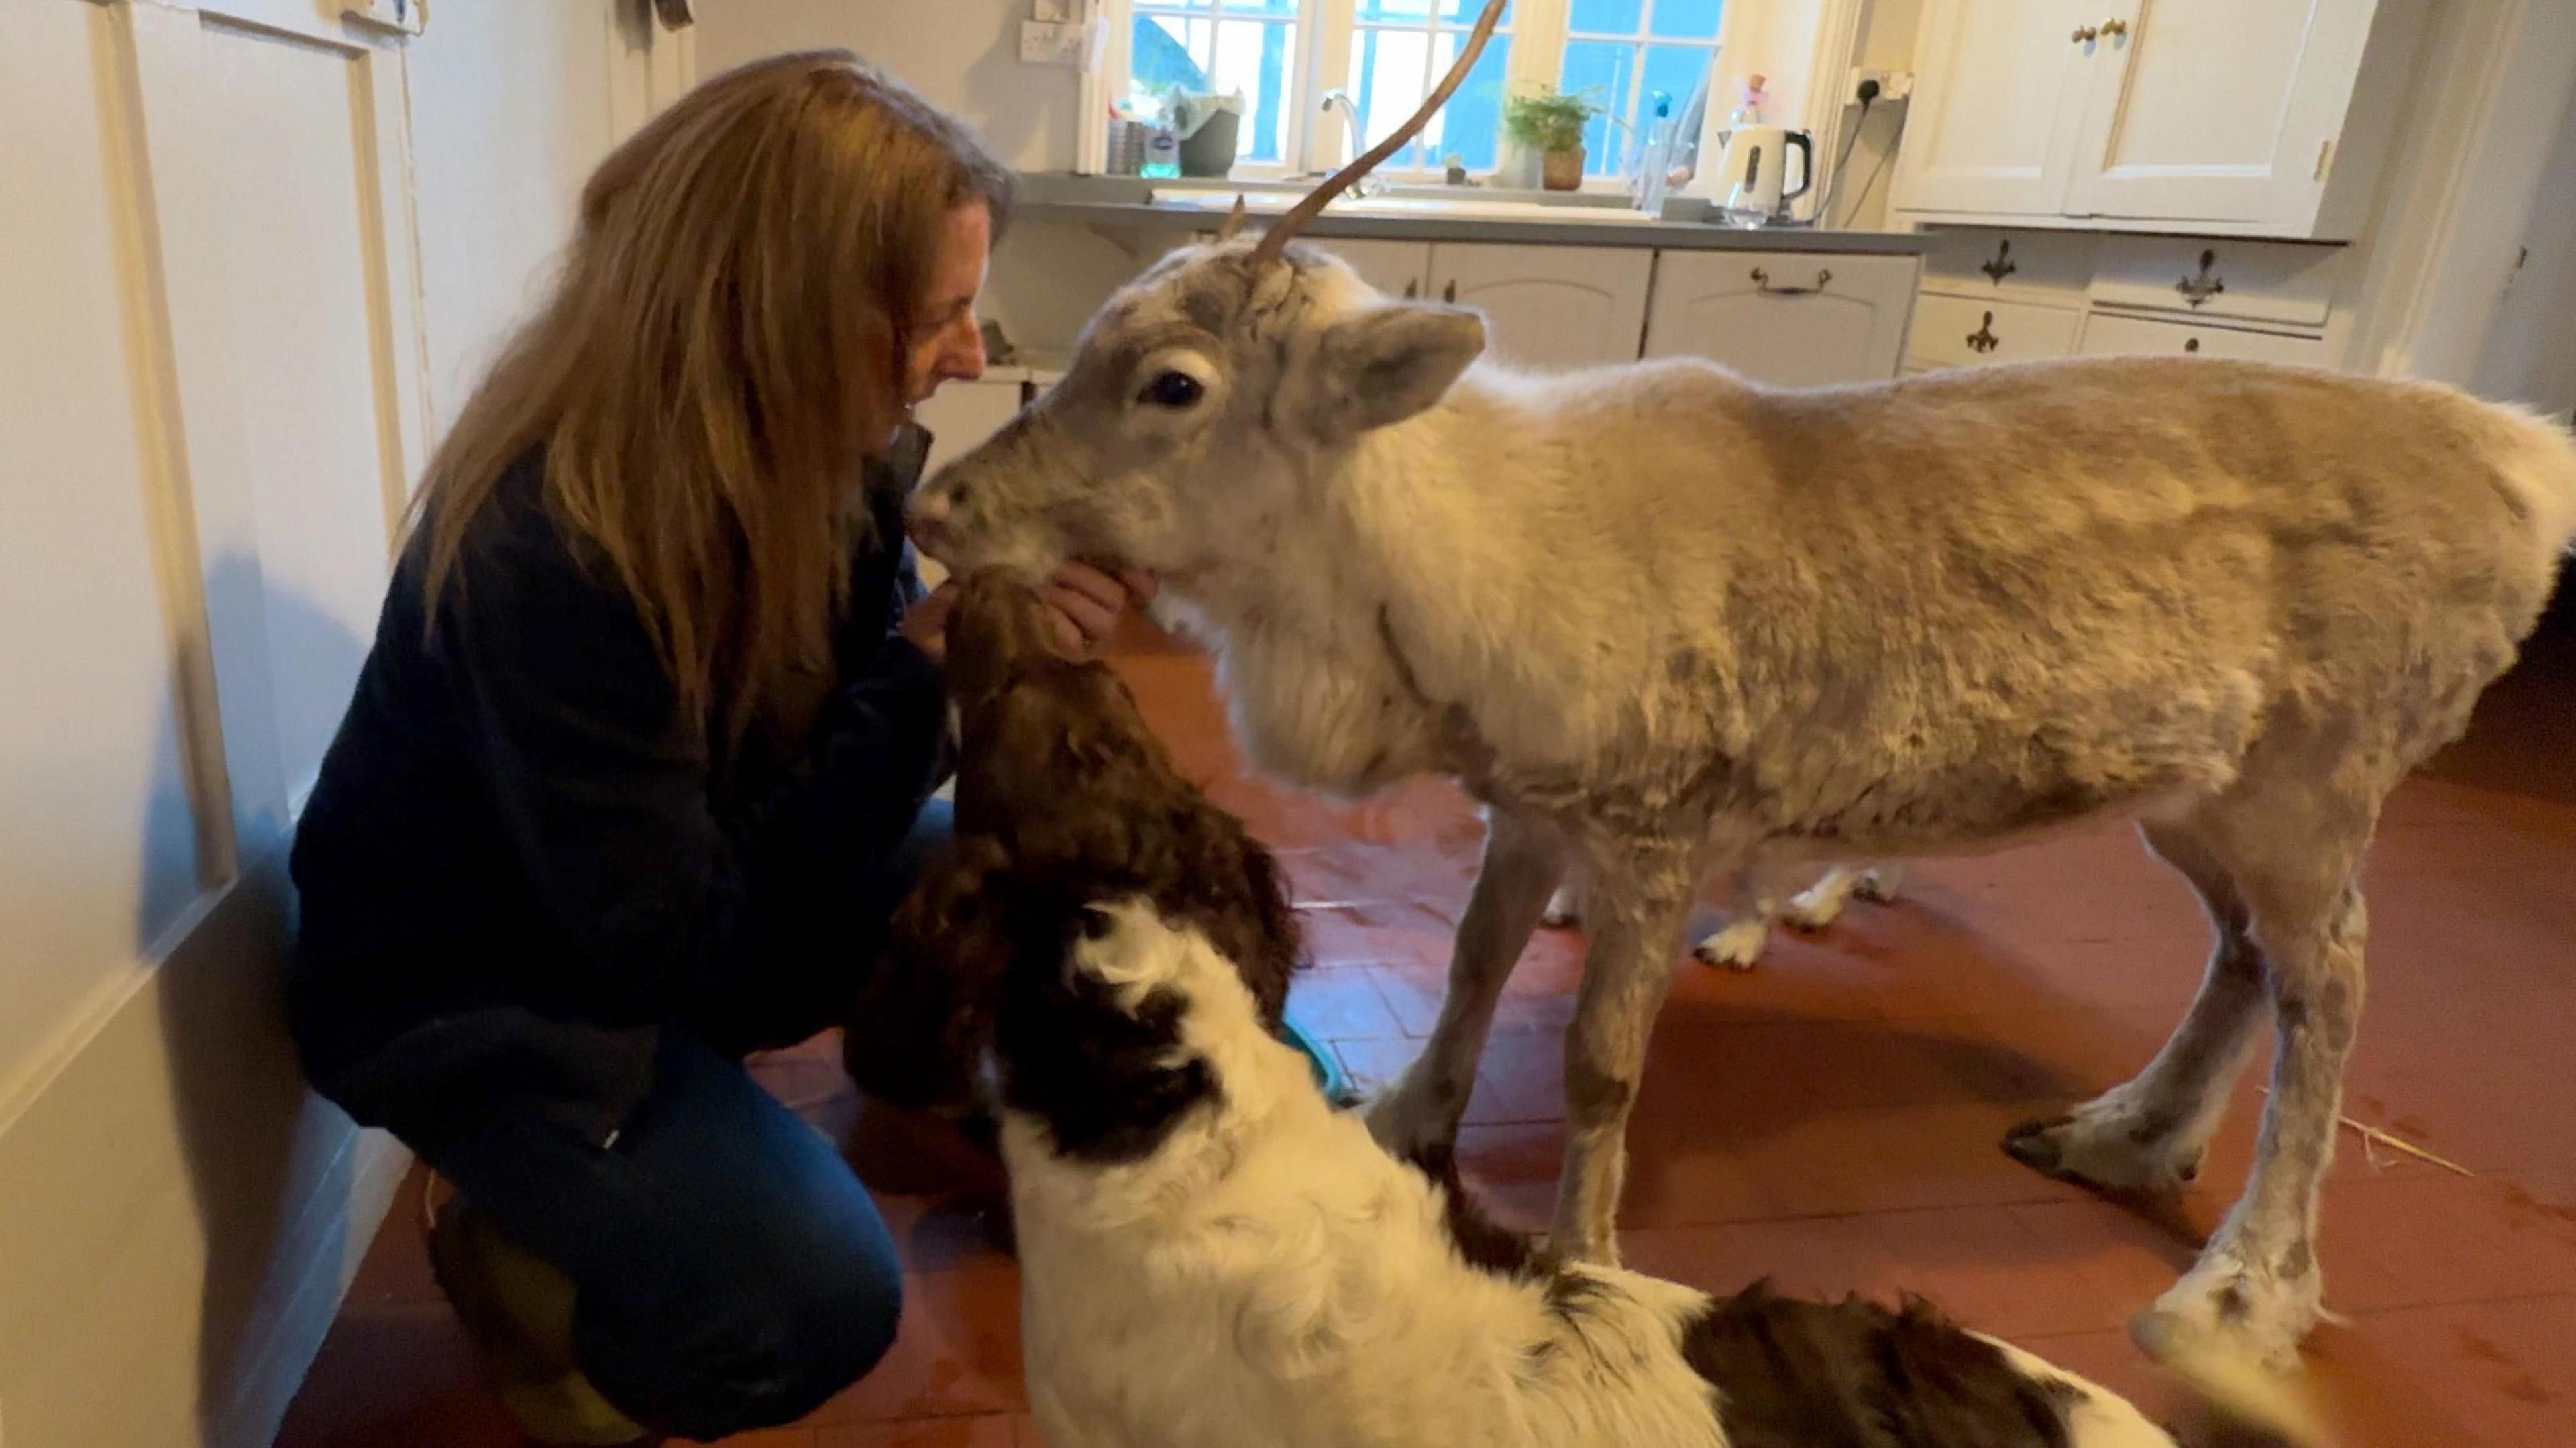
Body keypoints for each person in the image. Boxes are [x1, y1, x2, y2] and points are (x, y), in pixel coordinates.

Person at [284, 52, 1148, 1446]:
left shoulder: (835, 455)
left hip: (652, 898)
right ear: (784, 321)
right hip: (476, 987)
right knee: (804, 1300)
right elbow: (681, 947)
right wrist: (929, 678)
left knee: (1013, 900)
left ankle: (749, 1132)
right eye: (941, 315)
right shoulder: (553, 549)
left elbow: (807, 754)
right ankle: (520, 1245)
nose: (977, 355)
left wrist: (981, 637)